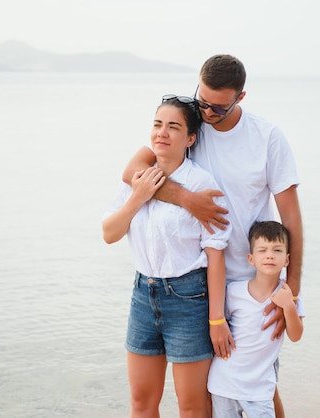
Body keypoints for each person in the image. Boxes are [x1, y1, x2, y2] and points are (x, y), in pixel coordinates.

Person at [122, 54, 304, 417]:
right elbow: (133, 171)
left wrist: (292, 288)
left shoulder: (266, 137)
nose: (206, 111)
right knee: (212, 388)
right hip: (194, 282)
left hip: (251, 279)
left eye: (217, 107)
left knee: (258, 383)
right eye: (201, 100)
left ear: (241, 97)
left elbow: (291, 218)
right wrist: (188, 199)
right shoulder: (192, 126)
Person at [102, 94, 233, 418]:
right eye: (158, 124)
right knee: (141, 404)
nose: (162, 132)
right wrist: (139, 196)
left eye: (173, 127)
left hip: (189, 299)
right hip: (143, 296)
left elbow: (216, 256)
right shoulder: (139, 177)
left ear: (190, 138)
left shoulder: (201, 184)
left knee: (192, 407)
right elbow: (109, 233)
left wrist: (216, 319)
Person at [208, 221, 303, 418]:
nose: (269, 255)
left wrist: (289, 306)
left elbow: (295, 335)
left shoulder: (287, 294)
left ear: (287, 260)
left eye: (277, 250)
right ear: (251, 258)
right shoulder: (234, 291)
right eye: (262, 250)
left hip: (260, 389)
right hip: (224, 383)